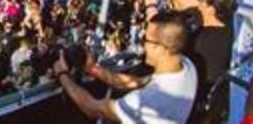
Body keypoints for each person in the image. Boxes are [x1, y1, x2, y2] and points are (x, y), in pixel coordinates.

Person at [53, 10, 198, 124]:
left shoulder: (148, 99)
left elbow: (92, 108)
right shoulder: (186, 65)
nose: (142, 44)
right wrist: (92, 68)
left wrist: (62, 74)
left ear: (161, 48)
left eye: (145, 39)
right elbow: (137, 82)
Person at [159, 0, 235, 123]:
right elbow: (194, 5)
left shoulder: (209, 44)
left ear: (211, 8)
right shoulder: (222, 21)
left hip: (185, 107)